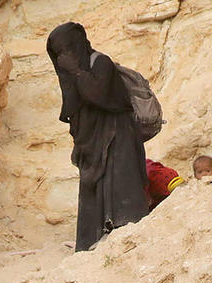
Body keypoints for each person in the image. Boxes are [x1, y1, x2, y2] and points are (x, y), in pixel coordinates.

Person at [47, 23, 148, 251]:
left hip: (117, 133)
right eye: (58, 53)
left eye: (66, 49)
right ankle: (91, 241)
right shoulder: (72, 73)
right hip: (90, 141)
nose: (63, 57)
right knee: (92, 187)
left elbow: (98, 94)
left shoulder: (101, 63)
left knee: (119, 183)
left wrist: (76, 71)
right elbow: (72, 109)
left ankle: (124, 234)